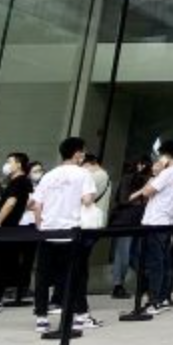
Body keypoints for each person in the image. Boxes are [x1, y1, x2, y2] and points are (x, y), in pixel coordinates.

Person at [30, 138, 101, 333]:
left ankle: (41, 318)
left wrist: (41, 226)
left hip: (48, 232)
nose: (83, 155)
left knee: (43, 276)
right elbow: (87, 200)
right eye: (82, 152)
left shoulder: (49, 175)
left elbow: (36, 205)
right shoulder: (83, 174)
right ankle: (80, 315)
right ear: (77, 153)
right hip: (71, 231)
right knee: (76, 274)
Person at [131, 140, 173, 314]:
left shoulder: (167, 173)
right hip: (167, 220)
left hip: (155, 220)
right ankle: (163, 297)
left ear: (164, 156)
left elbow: (147, 192)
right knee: (163, 260)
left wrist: (156, 173)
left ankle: (154, 300)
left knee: (152, 261)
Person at [0, 152, 34, 306]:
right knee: (4, 261)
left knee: (0, 262)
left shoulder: (20, 181)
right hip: (11, 225)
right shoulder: (16, 181)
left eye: (10, 161)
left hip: (7, 226)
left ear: (19, 164)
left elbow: (10, 203)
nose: (7, 165)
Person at [109, 157, 152, 299]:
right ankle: (118, 285)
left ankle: (143, 282)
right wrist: (142, 191)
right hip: (126, 221)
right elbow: (124, 199)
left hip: (138, 220)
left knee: (135, 253)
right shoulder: (128, 178)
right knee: (124, 254)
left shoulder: (145, 179)